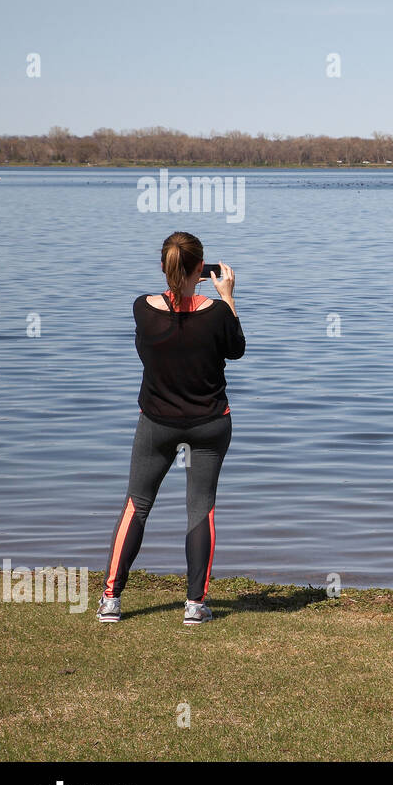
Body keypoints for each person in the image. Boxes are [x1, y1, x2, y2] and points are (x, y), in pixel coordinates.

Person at [97, 231, 245, 625]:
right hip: (210, 424)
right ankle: (195, 606)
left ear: (163, 267)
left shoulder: (141, 309)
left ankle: (111, 600)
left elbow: (152, 341)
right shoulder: (216, 314)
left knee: (137, 504)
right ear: (202, 269)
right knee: (201, 507)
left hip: (157, 422)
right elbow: (236, 349)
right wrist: (228, 296)